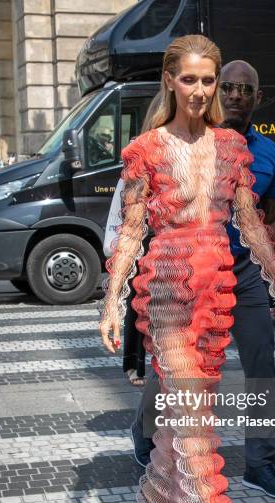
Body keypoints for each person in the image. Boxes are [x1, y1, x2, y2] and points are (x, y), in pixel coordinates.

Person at [100, 34, 275, 503]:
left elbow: (251, 222)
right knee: (192, 414)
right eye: (189, 78)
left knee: (192, 407)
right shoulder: (147, 149)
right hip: (165, 288)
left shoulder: (233, 147)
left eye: (207, 80)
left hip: (217, 287)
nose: (200, 89)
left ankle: (162, 500)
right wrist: (112, 304)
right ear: (169, 79)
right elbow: (133, 231)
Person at [130, 59, 275, 501]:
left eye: (247, 89)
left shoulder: (267, 153)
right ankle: (147, 432)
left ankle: (262, 465)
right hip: (189, 274)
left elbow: (274, 216)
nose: (237, 96)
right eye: (230, 88)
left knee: (262, 366)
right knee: (170, 369)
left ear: (258, 98)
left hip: (243, 275)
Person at [103, 95, 162, 387]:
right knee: (139, 305)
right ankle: (135, 365)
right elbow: (127, 204)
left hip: (174, 246)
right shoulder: (141, 153)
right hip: (144, 241)